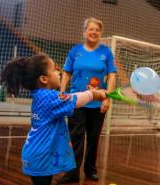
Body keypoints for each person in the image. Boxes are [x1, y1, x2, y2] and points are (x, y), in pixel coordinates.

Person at [0, 53, 107, 185]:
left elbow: (69, 97)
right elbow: (76, 99)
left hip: (39, 155)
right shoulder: (48, 97)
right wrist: (93, 94)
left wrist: (91, 94)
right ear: (44, 79)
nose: (59, 72)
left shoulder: (43, 95)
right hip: (40, 157)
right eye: (54, 70)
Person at [57, 17, 116, 184]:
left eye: (97, 29)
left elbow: (111, 76)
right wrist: (62, 92)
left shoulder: (106, 52)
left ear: (100, 33)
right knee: (76, 137)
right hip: (76, 101)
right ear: (84, 32)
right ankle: (72, 173)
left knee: (93, 137)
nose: (93, 32)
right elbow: (66, 72)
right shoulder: (75, 51)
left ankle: (91, 170)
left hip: (98, 103)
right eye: (90, 29)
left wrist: (108, 98)